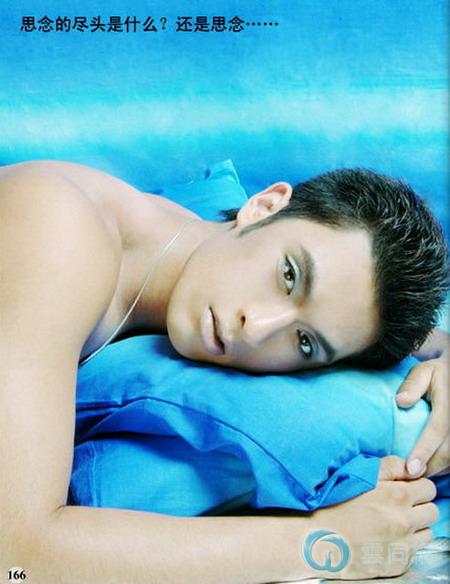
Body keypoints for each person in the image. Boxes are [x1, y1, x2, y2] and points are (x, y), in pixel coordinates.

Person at [0, 159, 448, 583]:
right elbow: (14, 560)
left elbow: (399, 329)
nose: (257, 328)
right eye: (288, 276)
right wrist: (323, 541)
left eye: (303, 341)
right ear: (264, 206)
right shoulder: (56, 227)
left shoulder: (195, 258)